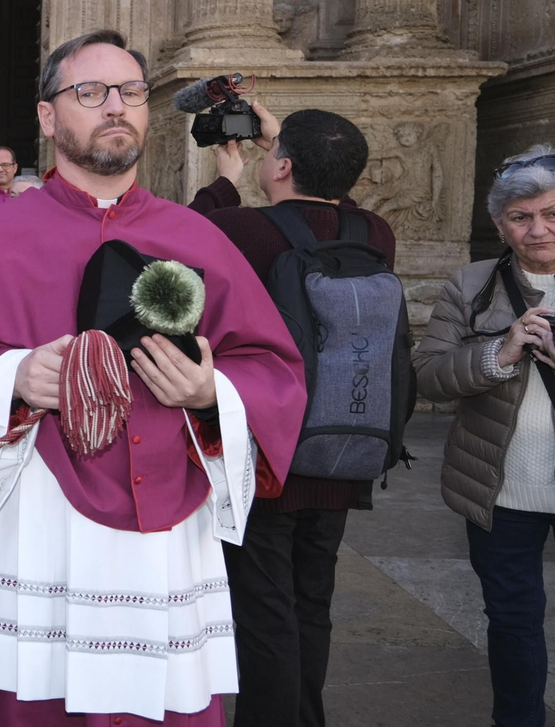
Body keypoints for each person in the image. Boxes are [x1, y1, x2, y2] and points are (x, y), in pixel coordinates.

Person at [0, 29, 307, 725]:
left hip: (163, 535)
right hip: (33, 516)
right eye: (89, 92)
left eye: (129, 92)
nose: (114, 106)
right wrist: (14, 374)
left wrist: (211, 392)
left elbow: (274, 371)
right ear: (48, 115)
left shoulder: (197, 237)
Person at [187, 107, 395, 727]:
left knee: (263, 611)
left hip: (266, 456)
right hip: (344, 445)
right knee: (312, 602)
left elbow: (177, 246)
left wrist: (226, 176)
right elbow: (334, 207)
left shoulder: (242, 228)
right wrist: (289, 146)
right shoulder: (375, 232)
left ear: (280, 166)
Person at [414, 143, 555, 727]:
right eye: (521, 217)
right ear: (500, 224)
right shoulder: (472, 284)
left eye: (554, 213)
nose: (538, 229)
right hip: (499, 490)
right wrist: (499, 354)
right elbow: (429, 374)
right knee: (513, 619)